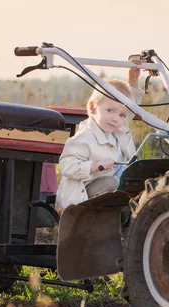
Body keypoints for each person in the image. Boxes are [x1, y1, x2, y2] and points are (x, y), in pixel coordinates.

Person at [55, 61, 143, 210]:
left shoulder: (118, 127)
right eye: (110, 110)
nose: (116, 118)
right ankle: (95, 218)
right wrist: (94, 166)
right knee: (111, 183)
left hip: (112, 187)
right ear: (92, 107)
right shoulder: (85, 136)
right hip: (84, 194)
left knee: (141, 181)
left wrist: (133, 79)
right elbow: (66, 165)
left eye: (122, 114)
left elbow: (131, 106)